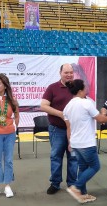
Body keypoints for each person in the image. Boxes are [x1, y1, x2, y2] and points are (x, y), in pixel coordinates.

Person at [63, 79, 107, 203]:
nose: (87, 88)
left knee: (82, 167)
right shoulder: (86, 103)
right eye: (85, 87)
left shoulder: (67, 107)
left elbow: (68, 127)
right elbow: (99, 118)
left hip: (75, 142)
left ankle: (83, 194)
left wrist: (70, 142)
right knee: (95, 166)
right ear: (81, 90)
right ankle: (76, 187)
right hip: (86, 142)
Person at [41, 64, 78, 195]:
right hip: (57, 129)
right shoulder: (52, 88)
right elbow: (43, 106)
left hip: (74, 130)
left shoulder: (77, 88)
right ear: (60, 73)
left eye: (71, 72)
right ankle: (55, 183)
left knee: (73, 157)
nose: (69, 75)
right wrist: (61, 114)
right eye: (66, 72)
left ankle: (72, 184)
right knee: (56, 156)